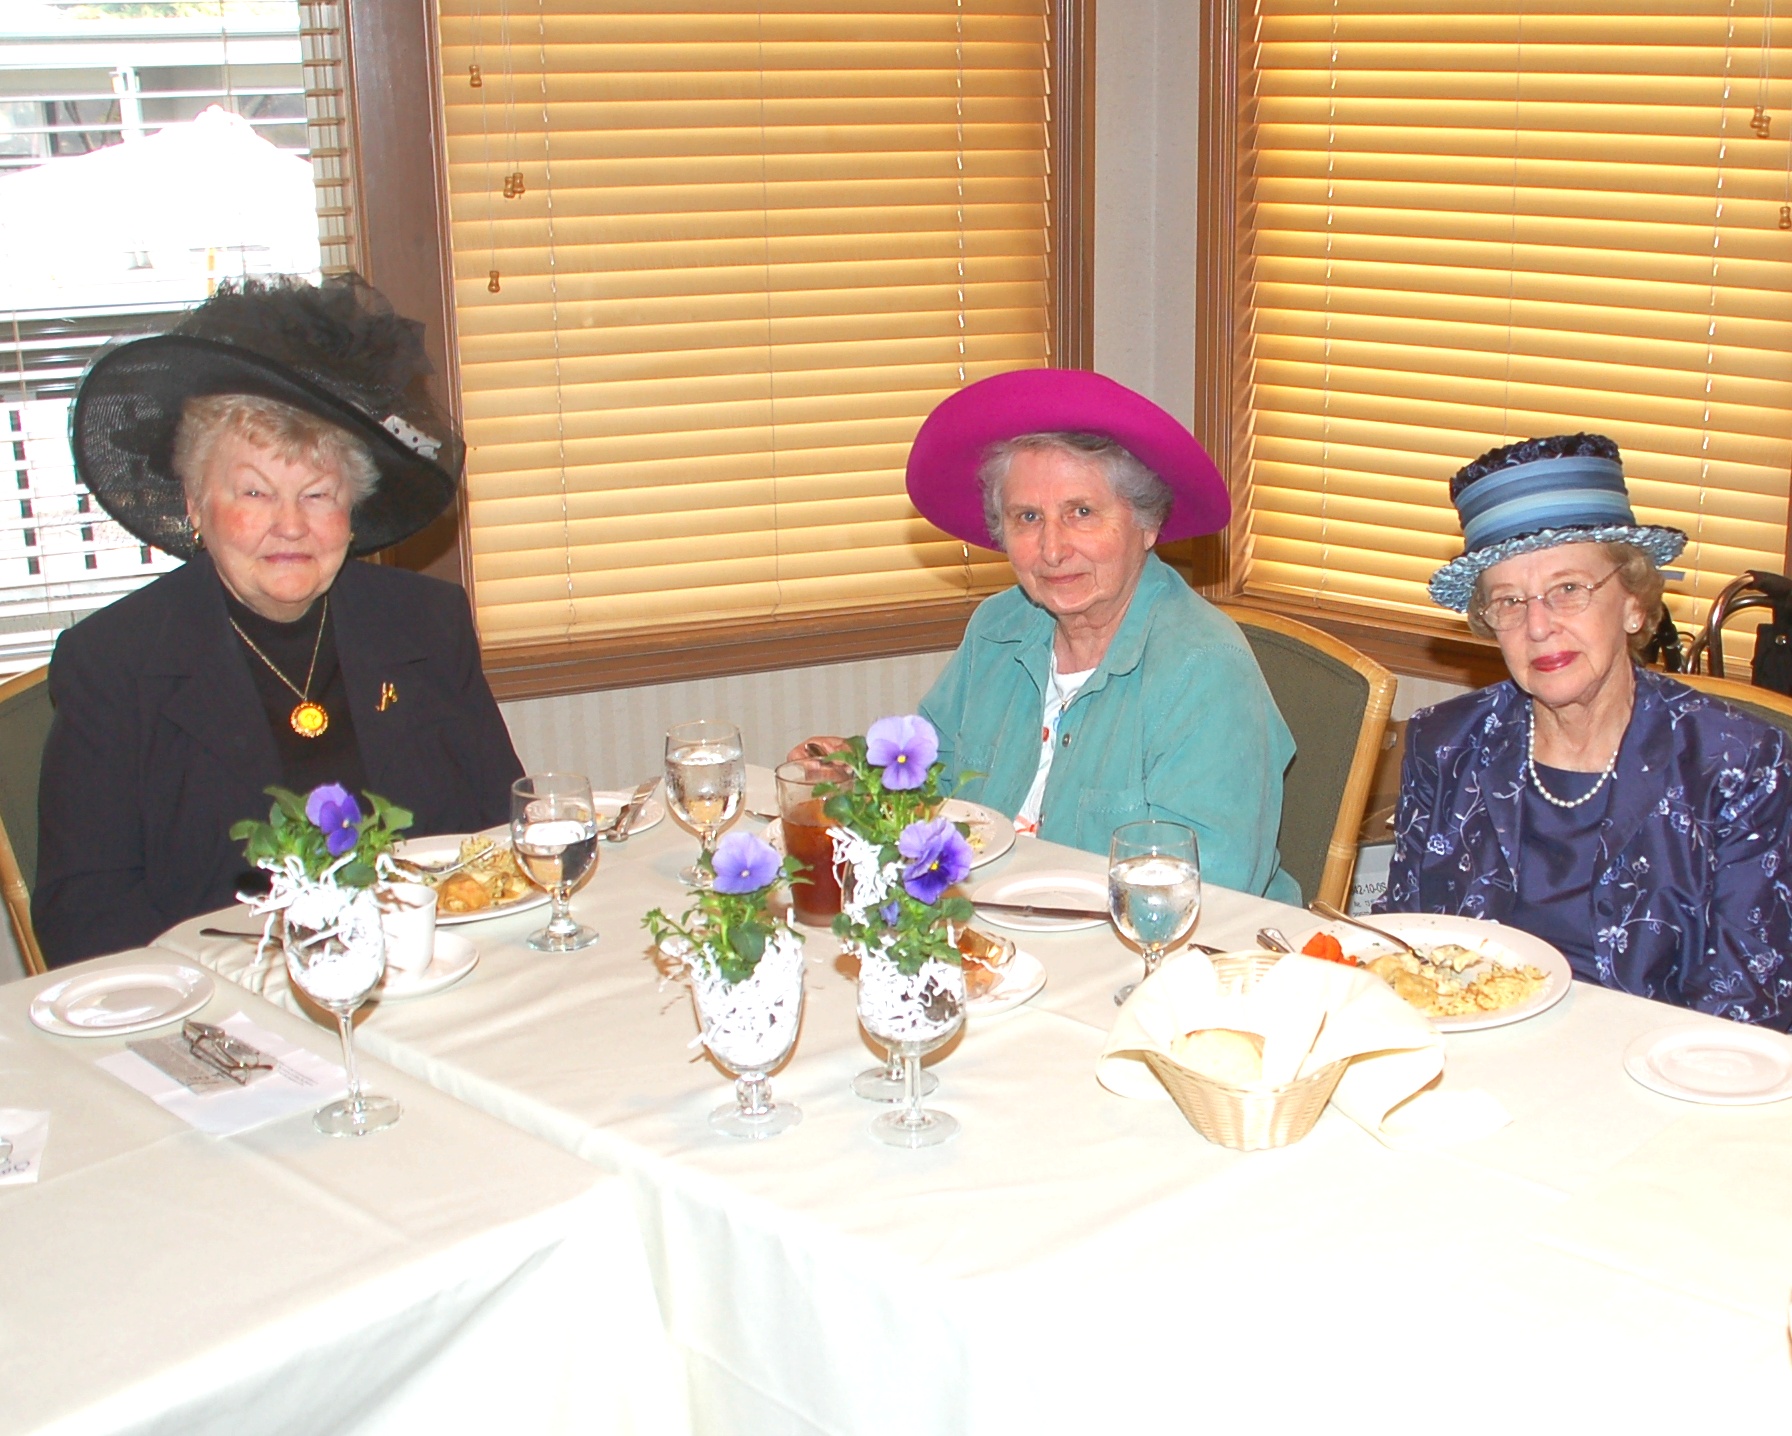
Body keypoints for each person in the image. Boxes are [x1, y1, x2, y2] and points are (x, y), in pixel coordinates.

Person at [34, 275, 523, 966]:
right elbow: (83, 921)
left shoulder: (426, 624)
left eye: (317, 494)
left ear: (351, 510)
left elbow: (501, 840)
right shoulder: (113, 662)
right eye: (255, 492)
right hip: (226, 999)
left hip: (429, 972)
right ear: (195, 504)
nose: (290, 525)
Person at [1378, 433, 1792, 1029]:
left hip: (1653, 1066)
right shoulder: (1444, 743)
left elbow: (1748, 1007)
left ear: (1633, 603)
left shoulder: (1738, 764)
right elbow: (1401, 945)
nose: (1538, 626)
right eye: (1510, 601)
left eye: (1568, 589)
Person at [838, 369, 1298, 899]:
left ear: (1147, 524)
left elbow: (1205, 887)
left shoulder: (1205, 669)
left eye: (1081, 513)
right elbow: (925, 785)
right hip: (992, 918)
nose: (1052, 550)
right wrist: (854, 774)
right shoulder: (997, 631)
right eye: (1028, 517)